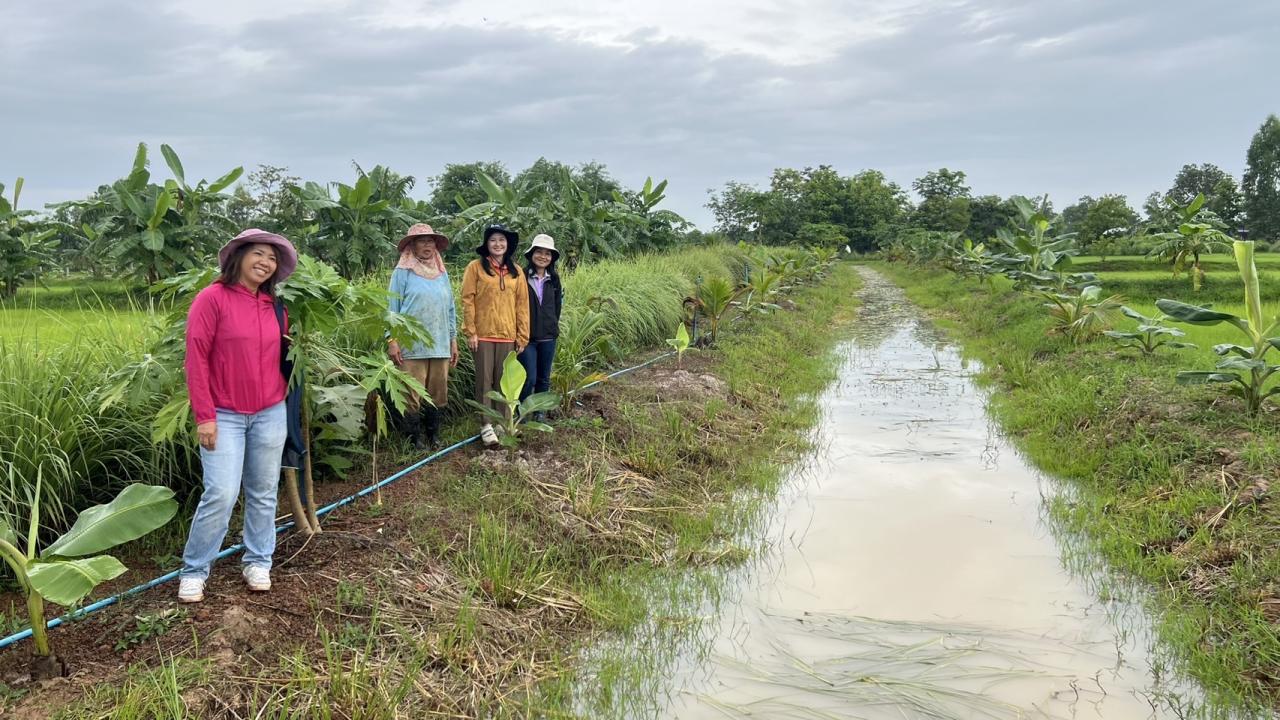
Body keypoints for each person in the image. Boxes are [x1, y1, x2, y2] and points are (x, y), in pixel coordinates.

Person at [179, 229, 298, 603]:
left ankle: (258, 560)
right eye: (259, 254)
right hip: (224, 415)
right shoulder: (211, 299)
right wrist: (205, 416)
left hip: (270, 412)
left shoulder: (276, 307)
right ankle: (195, 570)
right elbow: (196, 358)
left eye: (272, 258)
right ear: (240, 256)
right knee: (221, 493)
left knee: (263, 492)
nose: (265, 262)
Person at [386, 223, 459, 450]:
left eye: (430, 241)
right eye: (421, 241)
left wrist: (453, 340)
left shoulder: (441, 273)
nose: (427, 245)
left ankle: (434, 434)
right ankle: (414, 438)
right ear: (412, 246)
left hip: (439, 344)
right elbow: (392, 308)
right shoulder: (402, 272)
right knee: (411, 393)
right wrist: (392, 341)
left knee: (439, 391)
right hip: (411, 345)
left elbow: (450, 308)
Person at [461, 224, 529, 446]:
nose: (498, 244)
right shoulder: (475, 268)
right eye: (493, 240)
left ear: (508, 245)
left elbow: (522, 305)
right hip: (483, 335)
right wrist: (471, 331)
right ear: (487, 244)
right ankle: (486, 424)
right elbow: (467, 299)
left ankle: (503, 423)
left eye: (502, 240)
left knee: (505, 380)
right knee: (485, 381)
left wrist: (522, 336)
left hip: (508, 335)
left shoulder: (516, 271)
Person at [518, 234, 563, 408]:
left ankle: (540, 411)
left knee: (544, 377)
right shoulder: (521, 277)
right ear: (531, 254)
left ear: (551, 258)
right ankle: (522, 410)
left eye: (547, 253)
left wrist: (552, 325)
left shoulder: (554, 279)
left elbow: (557, 306)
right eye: (539, 252)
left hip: (548, 337)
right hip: (527, 338)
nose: (543, 256)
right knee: (529, 377)